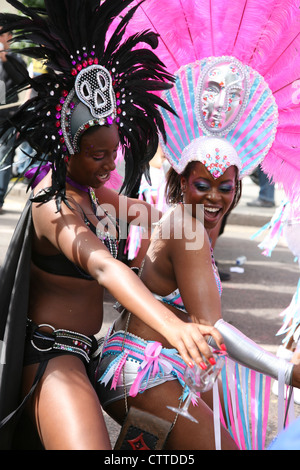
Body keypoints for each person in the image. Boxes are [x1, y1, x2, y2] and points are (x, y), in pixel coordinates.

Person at [0, 0, 225, 450]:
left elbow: (169, 223)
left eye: (113, 154)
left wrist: (207, 196)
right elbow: (104, 267)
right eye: (97, 156)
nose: (108, 167)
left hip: (88, 353)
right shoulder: (54, 204)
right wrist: (173, 326)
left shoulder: (95, 195)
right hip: (51, 356)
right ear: (66, 147)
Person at [96, 59, 300, 450]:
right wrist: (285, 371)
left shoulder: (178, 221)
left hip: (157, 368)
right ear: (182, 181)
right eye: (202, 184)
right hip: (146, 373)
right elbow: (212, 327)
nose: (214, 197)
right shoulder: (187, 228)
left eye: (225, 187)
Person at [0, 27, 26, 213]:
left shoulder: (15, 59)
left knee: (4, 157)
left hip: (8, 118)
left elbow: (22, 82)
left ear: (9, 36)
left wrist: (5, 60)